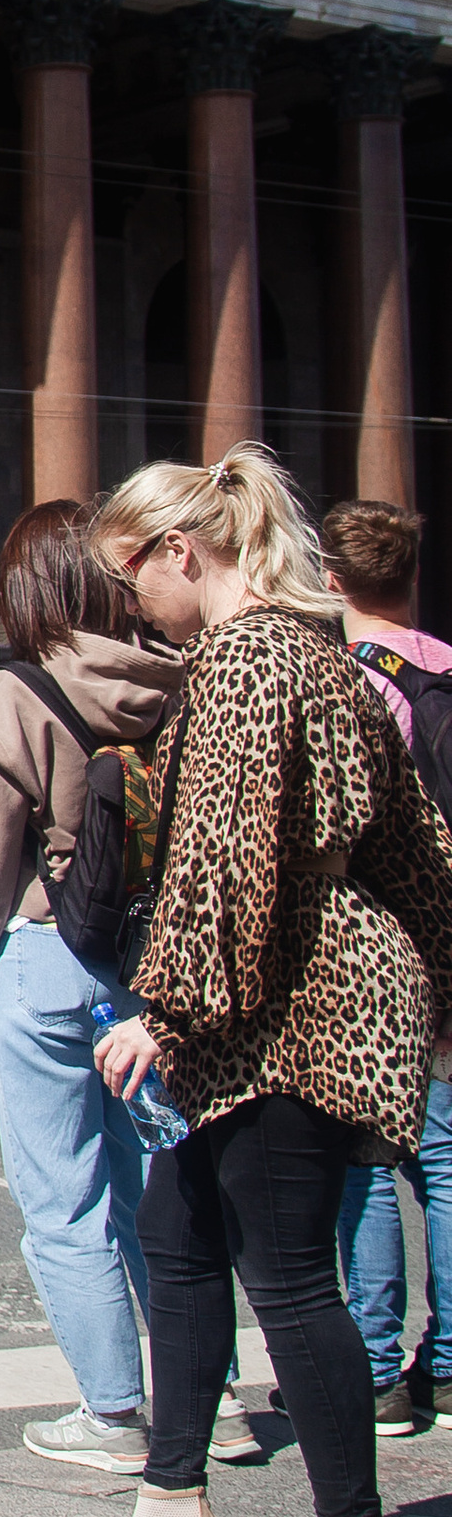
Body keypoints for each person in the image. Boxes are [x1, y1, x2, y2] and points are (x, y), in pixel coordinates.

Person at [80, 448, 452, 1517]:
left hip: (286, 1014)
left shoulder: (244, 661)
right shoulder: (320, 652)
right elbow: (416, 848)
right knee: (177, 1236)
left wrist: (163, 1012)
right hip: (307, 998)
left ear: (180, 552)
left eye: (133, 577)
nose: (133, 603)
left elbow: (225, 869)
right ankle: (171, 1507)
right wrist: (435, 984)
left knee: (286, 1276)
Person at [0, 503, 183, 1469]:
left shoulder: (18, 688)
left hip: (51, 950)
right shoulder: (178, 679)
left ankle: (114, 1416)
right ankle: (213, 1397)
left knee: (63, 1197)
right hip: (156, 966)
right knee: (161, 1187)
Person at [319, 499, 452, 1435]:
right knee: (446, 1162)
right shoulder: (444, 670)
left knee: (365, 1161)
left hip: (385, 947)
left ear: (332, 581)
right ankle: (445, 1368)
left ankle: (369, 1369)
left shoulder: (361, 686)